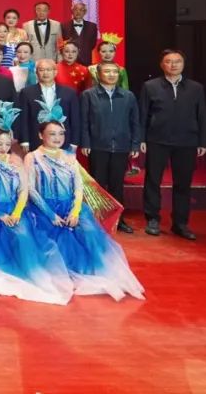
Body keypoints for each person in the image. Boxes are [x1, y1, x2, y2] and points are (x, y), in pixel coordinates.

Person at [0, 103, 74, 305]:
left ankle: (27, 272)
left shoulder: (16, 160)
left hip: (14, 209)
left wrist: (15, 213)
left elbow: (24, 190)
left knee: (23, 237)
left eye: (7, 143)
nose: (4, 148)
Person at [24, 120, 144, 300]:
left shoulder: (69, 157)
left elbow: (78, 187)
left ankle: (93, 270)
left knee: (89, 232)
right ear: (41, 135)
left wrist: (75, 211)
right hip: (44, 209)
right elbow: (31, 189)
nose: (57, 138)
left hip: (71, 206)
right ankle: (60, 272)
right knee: (53, 238)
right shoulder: (33, 157)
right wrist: (50, 214)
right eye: (52, 134)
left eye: (61, 134)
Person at [139, 49, 206, 240]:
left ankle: (180, 223)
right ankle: (152, 219)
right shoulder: (150, 86)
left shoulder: (196, 88)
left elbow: (202, 115)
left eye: (177, 61)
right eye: (169, 61)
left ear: (183, 64)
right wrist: (141, 139)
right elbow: (143, 114)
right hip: (157, 140)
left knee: (183, 184)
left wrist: (203, 140)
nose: (173, 65)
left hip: (187, 141)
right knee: (153, 181)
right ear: (162, 65)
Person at [81, 62, 141, 234]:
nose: (111, 74)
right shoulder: (88, 95)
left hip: (121, 146)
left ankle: (118, 220)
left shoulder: (128, 96)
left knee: (117, 185)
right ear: (98, 74)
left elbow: (135, 121)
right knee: (98, 185)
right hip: (97, 146)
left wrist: (135, 143)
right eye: (107, 71)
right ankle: (97, 220)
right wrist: (85, 142)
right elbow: (84, 121)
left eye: (115, 71)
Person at [18, 58, 80, 152]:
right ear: (36, 72)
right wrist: (24, 141)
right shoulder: (26, 92)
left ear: (55, 72)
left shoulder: (69, 92)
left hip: (63, 141)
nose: (45, 73)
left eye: (48, 70)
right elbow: (23, 118)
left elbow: (75, 119)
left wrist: (74, 142)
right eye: (41, 70)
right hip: (36, 140)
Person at [61, 2, 99, 66]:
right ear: (72, 11)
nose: (78, 12)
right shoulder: (64, 26)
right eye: (76, 9)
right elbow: (62, 43)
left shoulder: (92, 26)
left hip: (86, 60)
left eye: (81, 10)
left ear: (85, 12)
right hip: (69, 61)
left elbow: (92, 44)